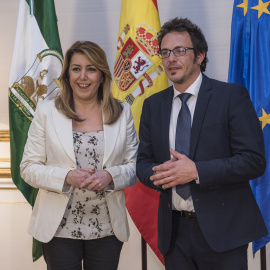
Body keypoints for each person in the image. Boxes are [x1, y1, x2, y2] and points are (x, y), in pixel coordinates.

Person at [136, 17, 267, 270]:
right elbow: (143, 162)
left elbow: (253, 161)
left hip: (223, 232)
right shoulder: (153, 106)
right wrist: (162, 174)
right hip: (174, 234)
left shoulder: (231, 96)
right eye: (165, 52)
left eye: (180, 51)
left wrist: (196, 171)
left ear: (200, 55)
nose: (171, 59)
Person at [20, 41, 138, 270]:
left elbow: (134, 166)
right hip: (58, 230)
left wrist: (110, 176)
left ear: (102, 76)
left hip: (107, 229)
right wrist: (66, 176)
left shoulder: (122, 112)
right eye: (76, 68)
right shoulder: (47, 111)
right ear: (67, 75)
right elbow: (28, 167)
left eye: (91, 69)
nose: (83, 76)